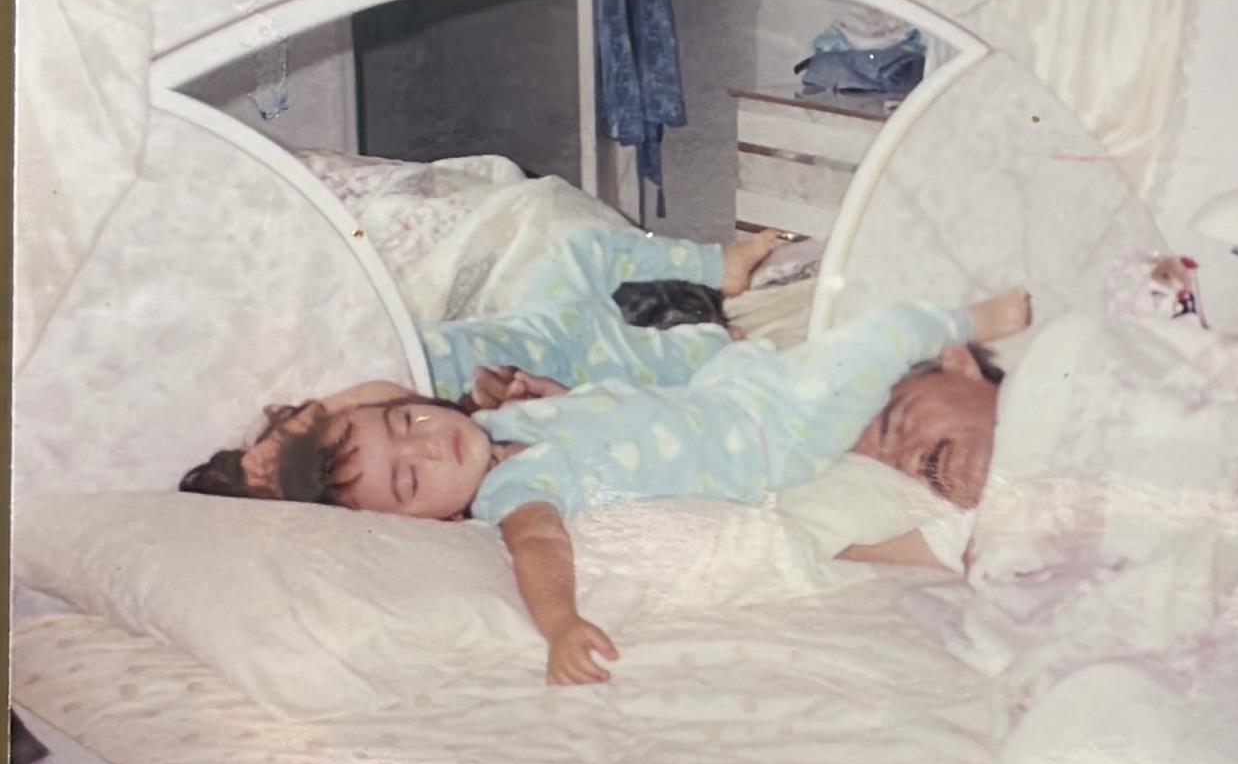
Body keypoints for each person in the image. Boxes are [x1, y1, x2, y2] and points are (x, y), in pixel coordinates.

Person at [183, 291, 1031, 684]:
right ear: (428, 519)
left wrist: (302, 435)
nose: (428, 443)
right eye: (410, 479)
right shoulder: (516, 489)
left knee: (843, 367)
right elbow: (539, 546)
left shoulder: (510, 421)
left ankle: (960, 328)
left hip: (729, 391)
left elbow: (379, 396)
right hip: (766, 440)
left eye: (412, 420)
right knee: (866, 347)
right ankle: (959, 317)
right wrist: (559, 621)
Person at [417, 225, 784, 404]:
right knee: (680, 357)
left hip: (538, 336)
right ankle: (721, 319)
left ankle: (718, 277)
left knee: (582, 249)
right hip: (550, 353)